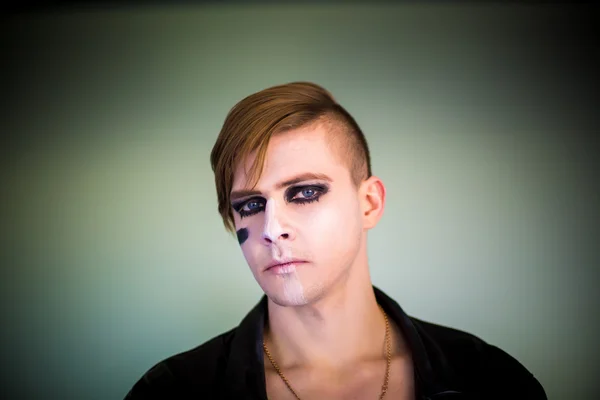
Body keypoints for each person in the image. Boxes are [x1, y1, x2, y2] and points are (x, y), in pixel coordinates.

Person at [125, 82, 547, 399]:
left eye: (305, 192)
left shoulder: (489, 380)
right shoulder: (172, 392)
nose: (273, 228)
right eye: (251, 205)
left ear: (369, 203)